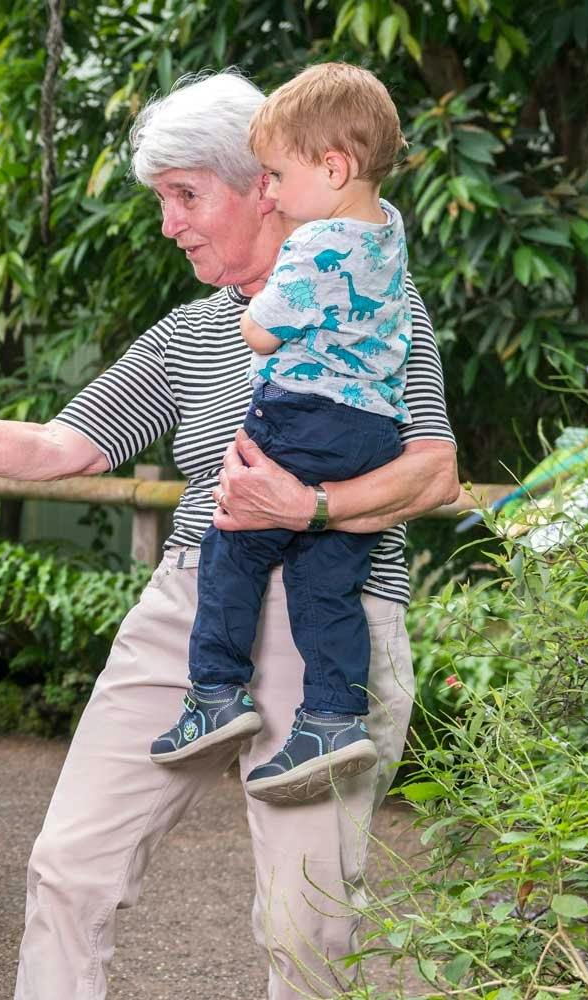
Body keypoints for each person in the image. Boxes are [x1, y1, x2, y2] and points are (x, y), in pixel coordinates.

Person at [0, 70, 460, 999]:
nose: (170, 223)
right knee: (69, 864)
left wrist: (312, 509)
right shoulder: (188, 332)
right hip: (191, 603)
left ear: (264, 183)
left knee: (306, 921)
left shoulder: (370, 303)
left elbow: (434, 472)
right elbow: (61, 445)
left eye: (185, 196)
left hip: (324, 614)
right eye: (163, 200)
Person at [149, 62, 415, 805]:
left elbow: (261, 334)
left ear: (333, 167)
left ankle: (214, 694)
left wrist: (255, 310)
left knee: (230, 541)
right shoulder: (388, 234)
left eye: (273, 175)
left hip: (305, 415)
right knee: (325, 582)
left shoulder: (314, 244)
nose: (267, 191)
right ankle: (333, 716)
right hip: (371, 431)